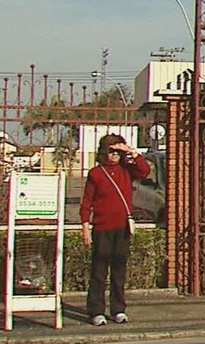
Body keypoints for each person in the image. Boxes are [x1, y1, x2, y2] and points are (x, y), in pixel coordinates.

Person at [80, 134, 151, 326]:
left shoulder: (127, 171)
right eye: (110, 151)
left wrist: (132, 152)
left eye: (117, 152)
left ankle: (118, 309)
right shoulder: (96, 173)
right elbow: (87, 202)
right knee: (99, 270)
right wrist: (85, 226)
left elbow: (145, 171)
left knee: (119, 270)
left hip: (122, 227)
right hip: (102, 227)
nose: (113, 156)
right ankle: (96, 311)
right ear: (103, 153)